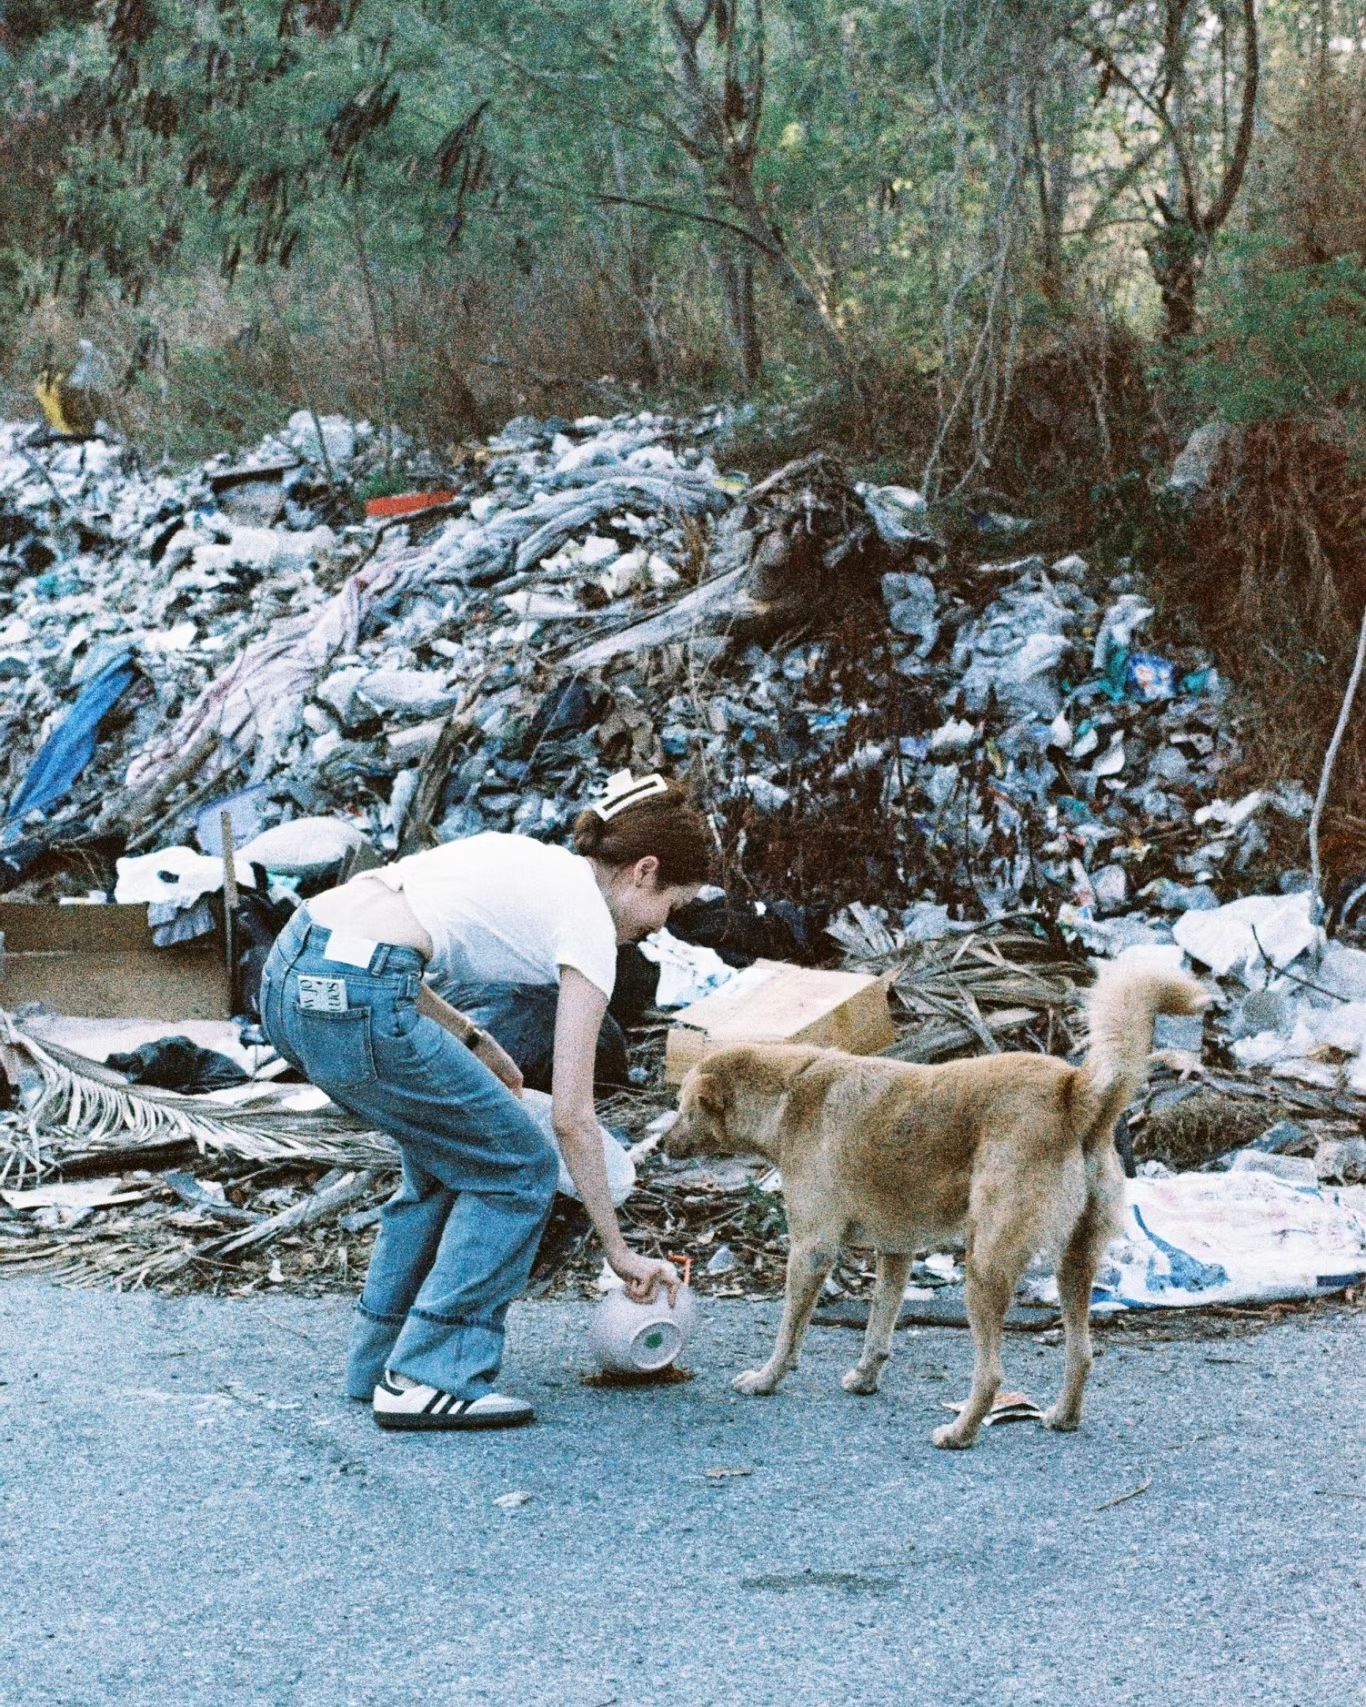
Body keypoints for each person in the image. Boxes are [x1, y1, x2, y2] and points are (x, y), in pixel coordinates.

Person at [258, 772, 711, 1432]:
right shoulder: (588, 922)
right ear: (644, 871)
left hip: (292, 971)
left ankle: (381, 1361)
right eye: (671, 904)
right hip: (355, 994)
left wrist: (470, 1037)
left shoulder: (529, 858)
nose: (657, 928)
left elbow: (378, 946)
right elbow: (574, 1119)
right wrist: (618, 1249)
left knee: (448, 1161)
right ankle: (432, 1376)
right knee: (518, 1169)